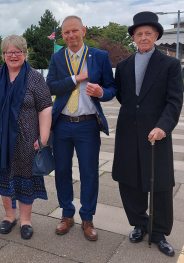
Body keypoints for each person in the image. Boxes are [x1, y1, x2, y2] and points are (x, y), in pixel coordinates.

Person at [112, 11, 183, 256]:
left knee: (160, 183)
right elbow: (123, 96)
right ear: (133, 37)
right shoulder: (123, 66)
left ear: (156, 35)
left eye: (148, 33)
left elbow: (174, 101)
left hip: (157, 133)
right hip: (128, 132)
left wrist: (163, 126)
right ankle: (139, 224)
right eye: (139, 34)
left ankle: (159, 232)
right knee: (130, 181)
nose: (143, 37)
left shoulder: (171, 65)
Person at [46, 15, 116, 241]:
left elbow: (111, 87)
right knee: (62, 172)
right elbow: (51, 86)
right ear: (63, 35)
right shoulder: (57, 57)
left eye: (74, 31)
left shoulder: (100, 56)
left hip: (87, 125)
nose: (70, 36)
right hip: (63, 125)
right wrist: (76, 78)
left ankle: (87, 217)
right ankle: (67, 214)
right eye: (66, 32)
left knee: (88, 173)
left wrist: (102, 93)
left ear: (83, 31)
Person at [0, 35, 52, 240]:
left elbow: (45, 108)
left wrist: (44, 137)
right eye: (9, 52)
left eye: (17, 51)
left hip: (26, 138)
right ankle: (8, 216)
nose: (13, 55)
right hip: (0, 139)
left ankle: (26, 220)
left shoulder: (34, 77)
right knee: (3, 175)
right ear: (3, 54)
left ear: (25, 53)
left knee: (26, 178)